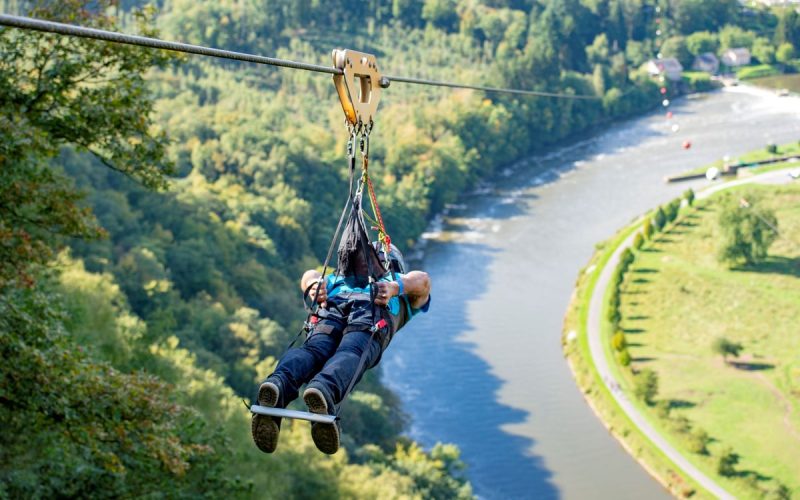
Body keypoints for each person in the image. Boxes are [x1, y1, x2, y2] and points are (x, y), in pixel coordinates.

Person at [251, 242, 431, 455]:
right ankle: (323, 390)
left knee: (312, 351)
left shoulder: (343, 282)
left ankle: (278, 382)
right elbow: (423, 282)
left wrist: (314, 284)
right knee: (351, 352)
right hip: (371, 316)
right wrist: (314, 283)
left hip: (331, 312)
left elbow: (309, 275)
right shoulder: (397, 290)